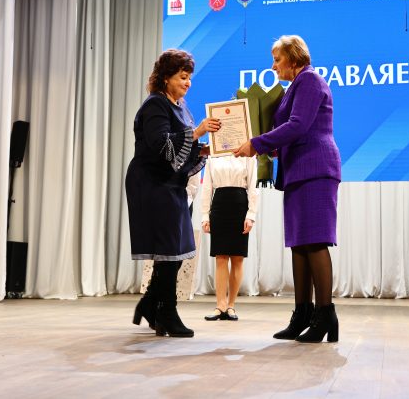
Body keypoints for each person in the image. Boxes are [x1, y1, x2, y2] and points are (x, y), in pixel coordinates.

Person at [234, 35, 341, 343]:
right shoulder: (296, 85)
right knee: (299, 244)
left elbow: (298, 125)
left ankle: (325, 314)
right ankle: (302, 314)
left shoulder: (309, 80)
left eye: (277, 59)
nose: (273, 66)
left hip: (315, 168)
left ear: (293, 59)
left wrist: (257, 144)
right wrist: (269, 147)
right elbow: (293, 131)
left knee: (314, 242)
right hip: (298, 170)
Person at [126, 49, 221, 338]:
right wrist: (197, 133)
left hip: (172, 184)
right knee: (169, 250)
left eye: (189, 77)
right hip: (152, 183)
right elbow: (162, 145)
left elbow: (181, 149)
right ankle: (166, 312)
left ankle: (150, 304)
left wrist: (203, 150)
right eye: (182, 76)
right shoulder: (155, 104)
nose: (188, 82)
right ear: (166, 78)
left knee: (176, 250)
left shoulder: (181, 106)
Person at [200, 154, 258, 321]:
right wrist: (205, 214)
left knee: (238, 258)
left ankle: (231, 305)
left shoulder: (248, 155)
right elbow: (207, 187)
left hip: (240, 205)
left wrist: (251, 214)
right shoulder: (213, 156)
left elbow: (253, 187)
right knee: (220, 257)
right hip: (219, 205)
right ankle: (220, 305)